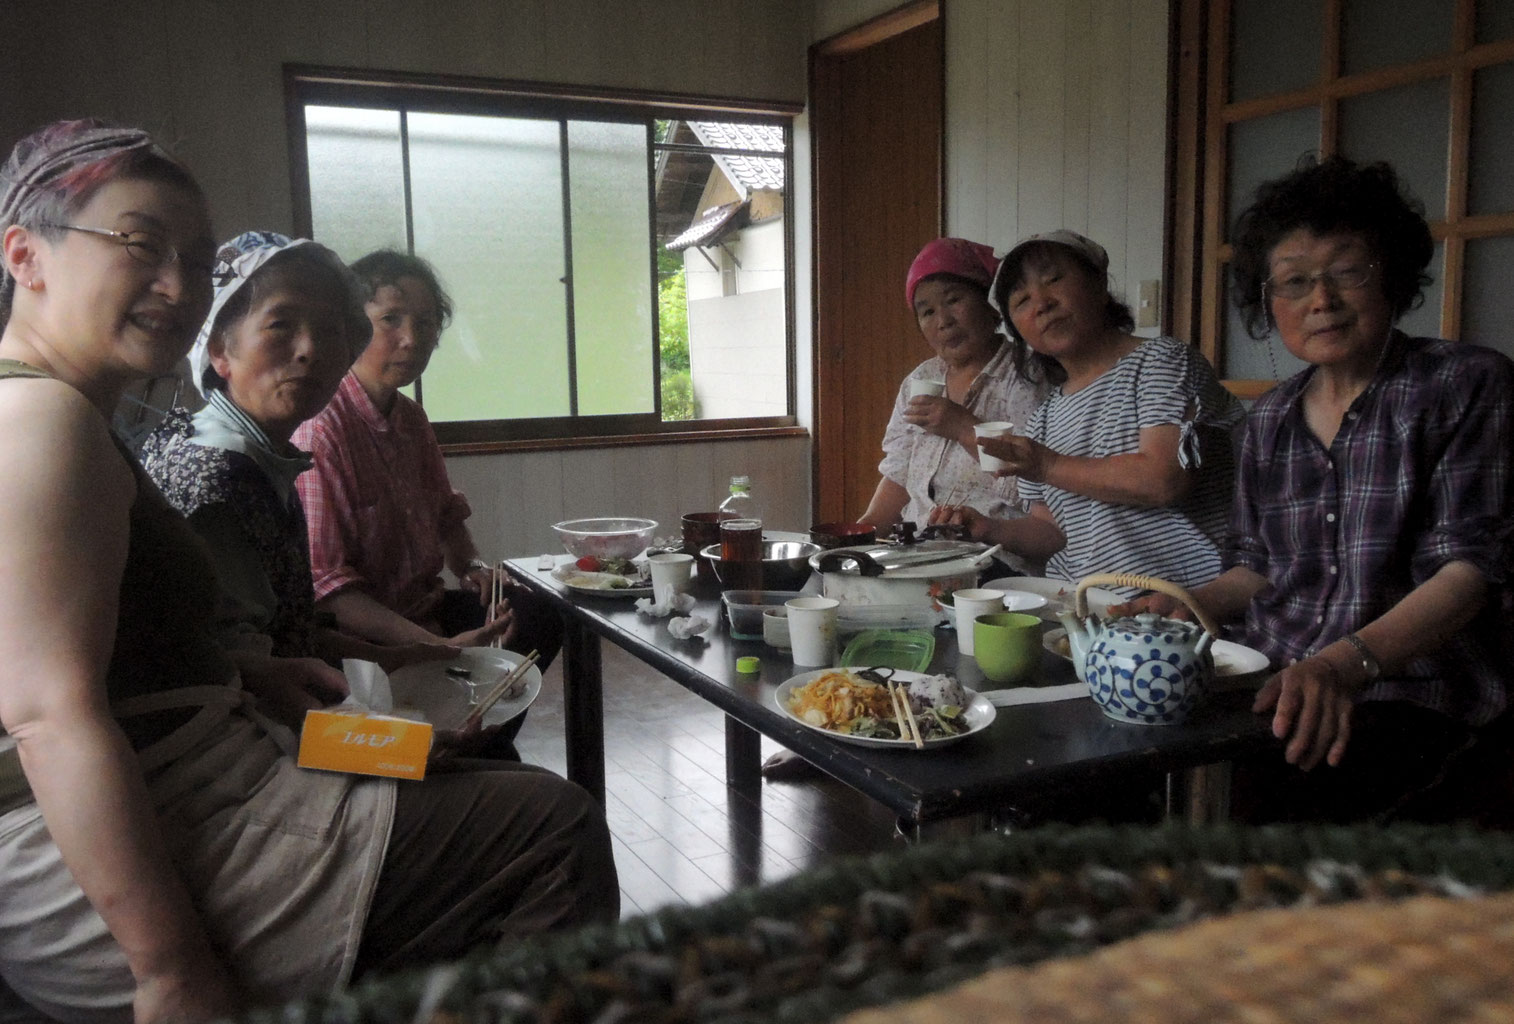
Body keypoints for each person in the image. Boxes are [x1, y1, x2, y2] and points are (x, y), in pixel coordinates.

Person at [0, 120, 616, 1024]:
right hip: (159, 817)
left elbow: (185, 657)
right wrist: (171, 972)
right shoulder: (97, 438)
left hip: (227, 748)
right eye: (140, 244)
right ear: (25, 255)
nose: (314, 354)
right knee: (549, 827)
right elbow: (49, 718)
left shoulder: (155, 434)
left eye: (196, 261)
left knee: (499, 750)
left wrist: (284, 680)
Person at [1119, 156, 1514, 824]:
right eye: (1295, 282)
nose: (1321, 300)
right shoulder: (1270, 419)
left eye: (1346, 272)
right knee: (1123, 771)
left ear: (1391, 275)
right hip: (1275, 677)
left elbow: (1470, 570)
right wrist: (1190, 602)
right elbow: (1257, 566)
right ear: (1269, 302)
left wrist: (1340, 666)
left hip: (1416, 696)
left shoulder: (1463, 384)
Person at [138, 233, 481, 721]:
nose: (309, 349)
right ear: (219, 351)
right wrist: (402, 739)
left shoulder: (266, 455)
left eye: (329, 330)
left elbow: (291, 633)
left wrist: (411, 656)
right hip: (223, 738)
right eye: (281, 325)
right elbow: (248, 684)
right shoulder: (223, 473)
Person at [931, 230, 1244, 595]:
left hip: (1179, 603)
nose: (1041, 303)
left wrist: (1046, 465)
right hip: (1085, 607)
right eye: (1022, 300)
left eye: (1053, 279)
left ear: (1099, 283)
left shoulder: (1162, 362)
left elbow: (1163, 480)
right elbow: (1052, 532)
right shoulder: (1044, 418)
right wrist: (989, 530)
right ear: (1018, 330)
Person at [292, 250, 562, 666]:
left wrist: (472, 567)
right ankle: (465, 705)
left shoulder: (411, 418)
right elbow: (328, 588)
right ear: (350, 325)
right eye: (390, 319)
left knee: (540, 614)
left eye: (425, 323)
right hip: (365, 642)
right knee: (481, 660)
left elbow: (446, 515)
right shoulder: (321, 428)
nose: (411, 339)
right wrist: (435, 647)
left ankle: (479, 708)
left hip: (425, 611)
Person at [860, 237, 1046, 570]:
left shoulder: (1026, 377)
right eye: (927, 312)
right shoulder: (922, 378)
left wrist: (963, 427)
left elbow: (1035, 486)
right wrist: (862, 533)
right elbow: (899, 470)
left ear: (991, 305)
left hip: (994, 557)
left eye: (954, 300)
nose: (943, 320)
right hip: (917, 552)